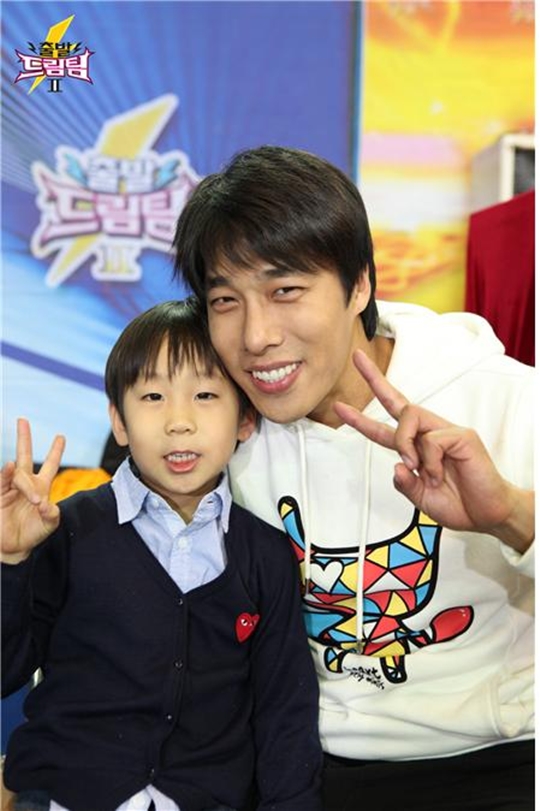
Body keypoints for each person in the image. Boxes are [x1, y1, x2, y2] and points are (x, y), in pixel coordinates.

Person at [172, 146, 535, 811]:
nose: (255, 336)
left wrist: (511, 515)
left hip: (498, 764)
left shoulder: (503, 398)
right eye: (225, 300)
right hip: (304, 769)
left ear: (360, 285)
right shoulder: (224, 429)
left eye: (285, 290)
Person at [1, 299, 323, 811]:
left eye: (205, 395)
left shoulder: (264, 553)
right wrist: (9, 563)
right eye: (153, 396)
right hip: (64, 796)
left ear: (245, 418)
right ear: (119, 421)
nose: (179, 422)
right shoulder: (69, 528)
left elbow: (285, 709)